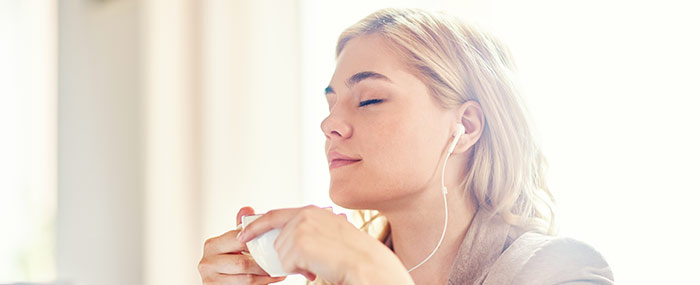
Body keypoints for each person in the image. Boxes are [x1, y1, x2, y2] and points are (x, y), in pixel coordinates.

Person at [198, 8, 614, 285]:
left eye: (370, 100)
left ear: (465, 126)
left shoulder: (561, 269)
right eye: (330, 104)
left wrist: (372, 272)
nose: (329, 124)